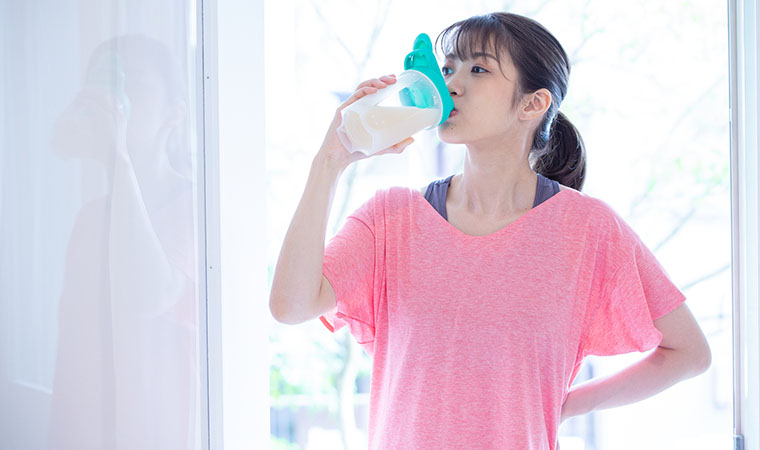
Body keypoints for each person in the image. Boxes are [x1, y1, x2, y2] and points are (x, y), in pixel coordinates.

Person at [269, 12, 711, 450]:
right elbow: (291, 305)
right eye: (447, 68)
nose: (452, 84)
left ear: (532, 104)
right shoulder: (390, 218)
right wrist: (330, 163)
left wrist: (568, 405)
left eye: (477, 68)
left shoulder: (588, 230)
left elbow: (688, 353)